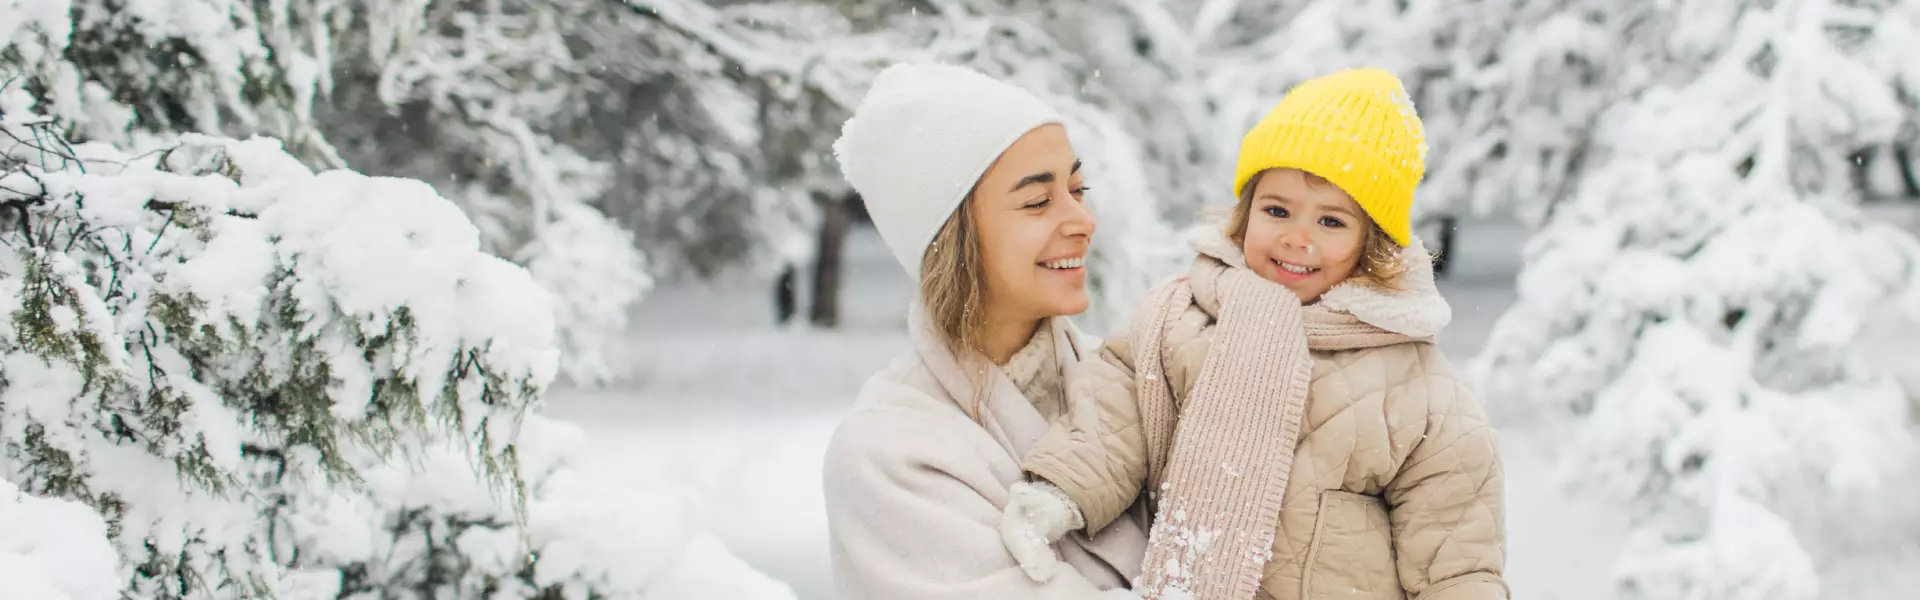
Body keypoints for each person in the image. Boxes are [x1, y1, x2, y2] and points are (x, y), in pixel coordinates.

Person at [999, 68, 1509, 600]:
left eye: (1331, 222)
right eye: (1277, 210)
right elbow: (1112, 418)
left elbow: (1456, 546)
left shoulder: (1413, 383)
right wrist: (1061, 493)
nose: (1296, 237)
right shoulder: (1184, 318)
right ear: (1244, 216)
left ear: (1372, 245)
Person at [820, 63, 1151, 599]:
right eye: (1038, 201)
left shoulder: (1136, 386)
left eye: (1077, 188)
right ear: (953, 237)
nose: (1082, 219)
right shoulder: (888, 454)